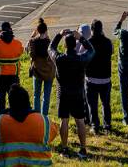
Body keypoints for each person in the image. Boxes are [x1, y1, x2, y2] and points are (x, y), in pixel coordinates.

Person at [0, 84, 59, 167]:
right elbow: (55, 130)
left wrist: (3, 112)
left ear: (10, 104)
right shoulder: (44, 122)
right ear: (27, 101)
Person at [51, 29, 94, 159]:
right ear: (75, 45)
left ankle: (64, 148)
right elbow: (92, 51)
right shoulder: (81, 59)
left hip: (63, 92)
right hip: (77, 92)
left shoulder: (59, 59)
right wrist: (81, 38)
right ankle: (83, 149)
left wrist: (59, 35)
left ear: (64, 45)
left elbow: (50, 48)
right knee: (80, 121)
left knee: (64, 120)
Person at [85, 19, 114, 134]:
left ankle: (95, 125)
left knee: (92, 104)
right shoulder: (108, 42)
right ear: (102, 29)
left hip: (91, 78)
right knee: (106, 103)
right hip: (105, 78)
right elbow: (112, 51)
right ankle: (107, 125)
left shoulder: (88, 42)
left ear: (91, 30)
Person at [0, 21, 24, 115]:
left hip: (0, 76)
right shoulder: (18, 43)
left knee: (1, 98)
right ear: (11, 30)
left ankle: (1, 116)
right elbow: (21, 52)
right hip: (14, 75)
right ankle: (15, 115)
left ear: (0, 31)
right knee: (14, 98)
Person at [26, 18, 55, 115]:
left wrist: (32, 36)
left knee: (36, 95)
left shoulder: (33, 42)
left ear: (37, 30)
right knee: (46, 96)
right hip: (48, 71)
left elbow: (30, 54)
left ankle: (37, 115)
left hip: (37, 70)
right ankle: (45, 116)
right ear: (46, 30)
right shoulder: (50, 42)